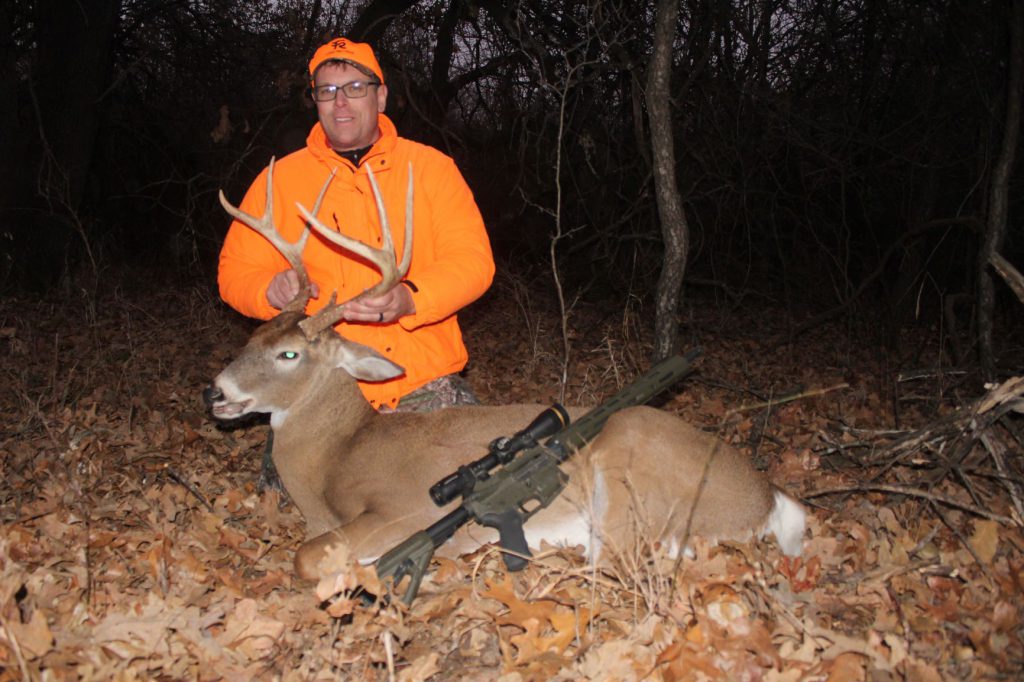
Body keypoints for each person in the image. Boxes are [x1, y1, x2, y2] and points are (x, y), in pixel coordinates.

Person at [217, 37, 494, 414]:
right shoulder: (280, 180)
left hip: (417, 378)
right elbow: (235, 272)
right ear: (316, 101)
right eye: (328, 91)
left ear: (380, 98)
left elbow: (473, 262)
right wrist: (267, 289)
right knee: (303, 475)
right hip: (320, 386)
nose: (341, 102)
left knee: (484, 470)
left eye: (355, 88)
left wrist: (412, 298)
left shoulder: (431, 169)